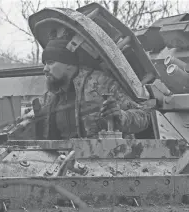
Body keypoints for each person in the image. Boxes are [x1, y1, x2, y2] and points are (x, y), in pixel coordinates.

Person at [20, 30, 151, 140]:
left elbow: (143, 116)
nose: (45, 69)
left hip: (109, 162)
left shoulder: (102, 84)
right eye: (45, 64)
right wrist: (26, 123)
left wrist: (121, 116)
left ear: (69, 64)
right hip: (64, 164)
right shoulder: (49, 98)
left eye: (50, 62)